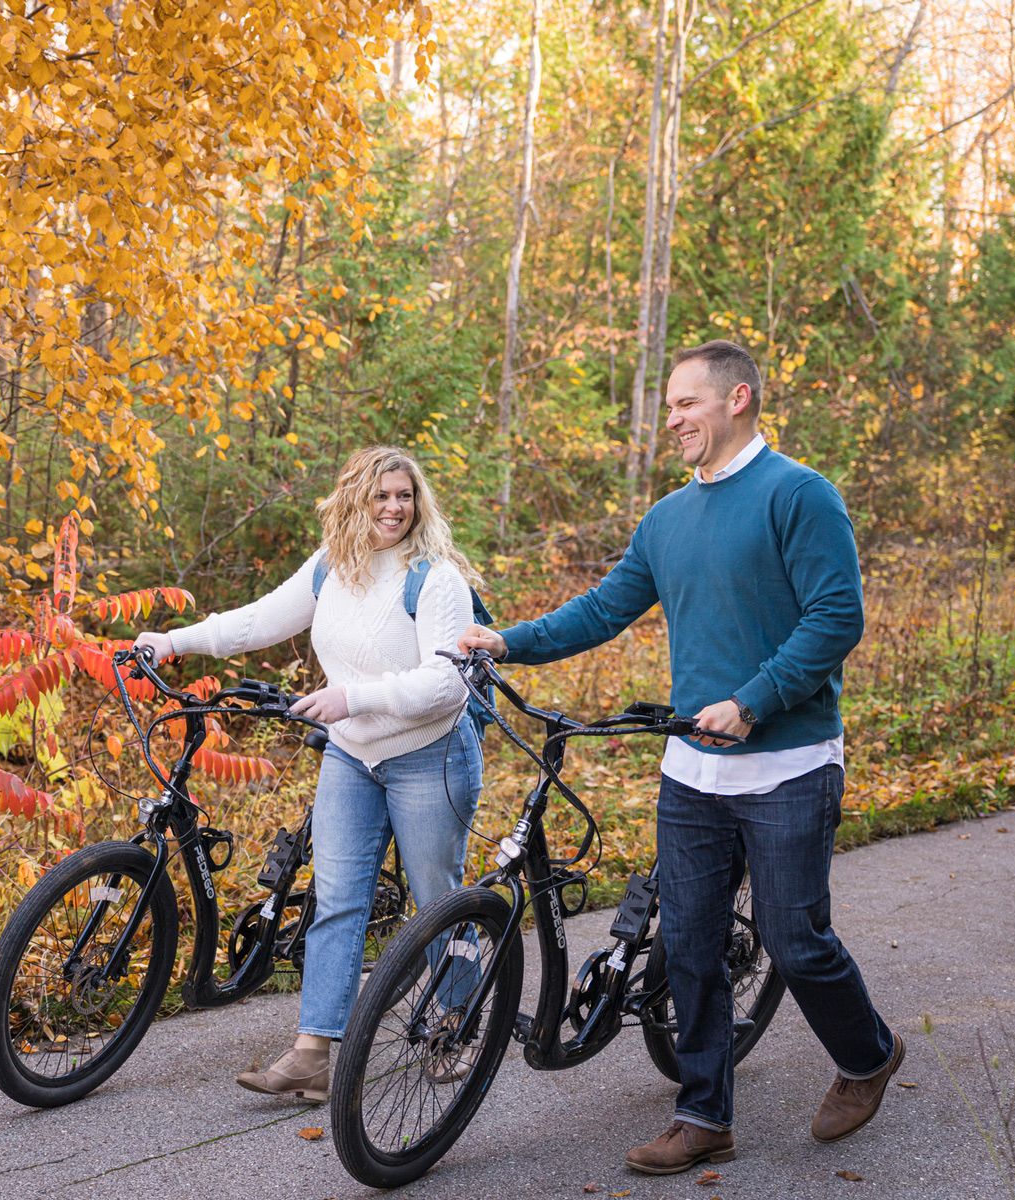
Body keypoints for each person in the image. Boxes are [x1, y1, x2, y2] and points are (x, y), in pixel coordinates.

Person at [458, 340, 902, 1174]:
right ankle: (704, 1115)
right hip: (692, 771)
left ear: (737, 399)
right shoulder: (666, 518)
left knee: (793, 936)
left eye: (684, 404)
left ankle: (869, 1056)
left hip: (790, 762)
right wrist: (507, 642)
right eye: (669, 407)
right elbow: (602, 610)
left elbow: (836, 618)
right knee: (690, 946)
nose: (673, 421)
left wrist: (754, 700)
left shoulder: (800, 496)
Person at [135, 445, 483, 1102]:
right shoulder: (331, 569)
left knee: (437, 898)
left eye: (404, 496)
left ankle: (453, 1025)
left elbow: (447, 684)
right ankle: (313, 1053)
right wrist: (174, 641)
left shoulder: (435, 579)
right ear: (354, 500)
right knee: (338, 901)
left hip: (429, 757)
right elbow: (258, 621)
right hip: (353, 757)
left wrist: (354, 698)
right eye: (380, 496)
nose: (394, 508)